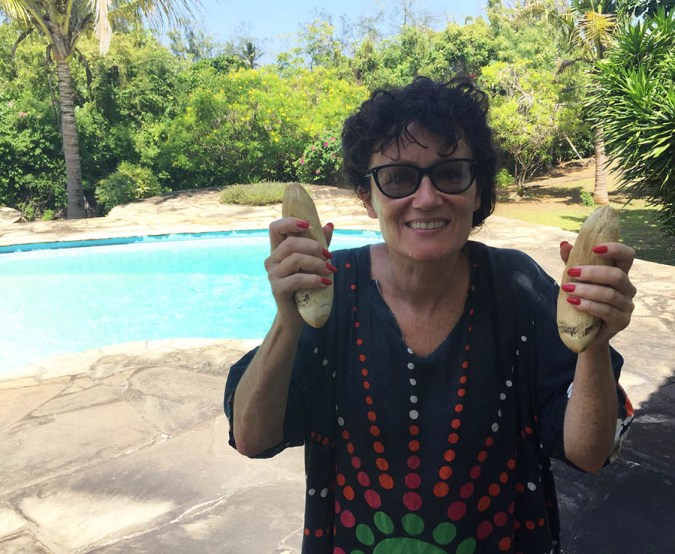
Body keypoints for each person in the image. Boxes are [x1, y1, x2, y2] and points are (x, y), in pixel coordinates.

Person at [224, 76, 635, 553]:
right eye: (398, 177)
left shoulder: (517, 289)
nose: (426, 198)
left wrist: (595, 341)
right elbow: (251, 438)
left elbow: (587, 454)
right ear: (367, 195)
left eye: (451, 173)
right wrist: (288, 319)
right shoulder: (333, 293)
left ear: (478, 190)